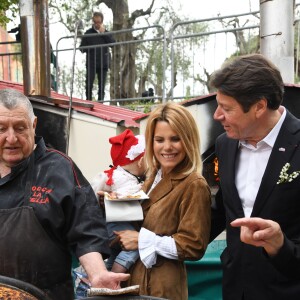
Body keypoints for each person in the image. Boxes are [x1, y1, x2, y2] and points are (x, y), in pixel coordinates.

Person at [0, 88, 129, 300]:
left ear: (33, 126)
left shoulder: (59, 168)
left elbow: (86, 231)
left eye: (20, 128)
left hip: (48, 295)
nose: (11, 138)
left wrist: (97, 274)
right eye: (1, 129)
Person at [209, 53, 300, 299]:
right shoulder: (224, 144)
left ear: (259, 106)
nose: (217, 115)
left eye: (226, 108)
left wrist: (280, 245)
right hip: (235, 288)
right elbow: (222, 209)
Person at [115, 102, 211, 300]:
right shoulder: (153, 176)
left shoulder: (194, 184)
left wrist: (142, 240)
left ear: (188, 140)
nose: (167, 147)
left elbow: (193, 246)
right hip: (134, 282)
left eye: (175, 139)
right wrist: (114, 203)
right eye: (159, 140)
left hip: (161, 288)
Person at [90, 129, 146, 274]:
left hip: (109, 227)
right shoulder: (124, 179)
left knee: (115, 252)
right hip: (115, 226)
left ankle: (108, 273)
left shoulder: (117, 176)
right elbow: (132, 193)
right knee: (134, 248)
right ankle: (116, 273)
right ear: (141, 162)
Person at [79, 12, 115, 101]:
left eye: (99, 22)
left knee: (102, 87)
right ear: (93, 21)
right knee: (88, 84)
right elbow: (82, 48)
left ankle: (100, 103)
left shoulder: (106, 33)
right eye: (95, 22)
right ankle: (88, 101)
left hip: (103, 63)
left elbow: (113, 44)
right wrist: (90, 48)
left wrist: (104, 33)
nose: (97, 24)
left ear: (102, 21)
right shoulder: (88, 33)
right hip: (91, 62)